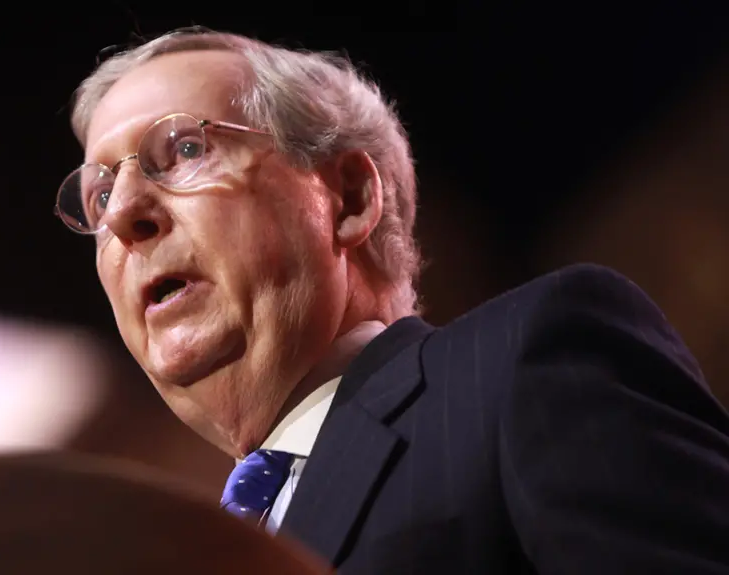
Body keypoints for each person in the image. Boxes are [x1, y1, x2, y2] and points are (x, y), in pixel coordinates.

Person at [54, 28, 729, 574]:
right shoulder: (186, 552)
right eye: (100, 193)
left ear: (347, 199)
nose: (123, 215)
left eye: (185, 149)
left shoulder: (523, 363)